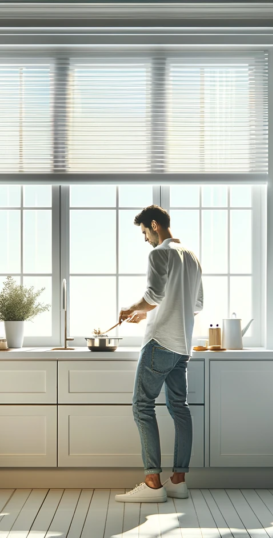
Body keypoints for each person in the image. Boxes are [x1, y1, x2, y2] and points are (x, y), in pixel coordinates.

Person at [114, 205, 203, 504]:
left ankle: (152, 482)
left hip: (160, 343)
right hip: (182, 346)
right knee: (180, 408)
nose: (145, 239)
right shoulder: (191, 256)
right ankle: (178, 481)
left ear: (154, 225)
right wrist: (146, 314)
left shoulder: (158, 253)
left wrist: (132, 309)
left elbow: (154, 295)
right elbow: (196, 304)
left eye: (144, 233)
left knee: (142, 406)